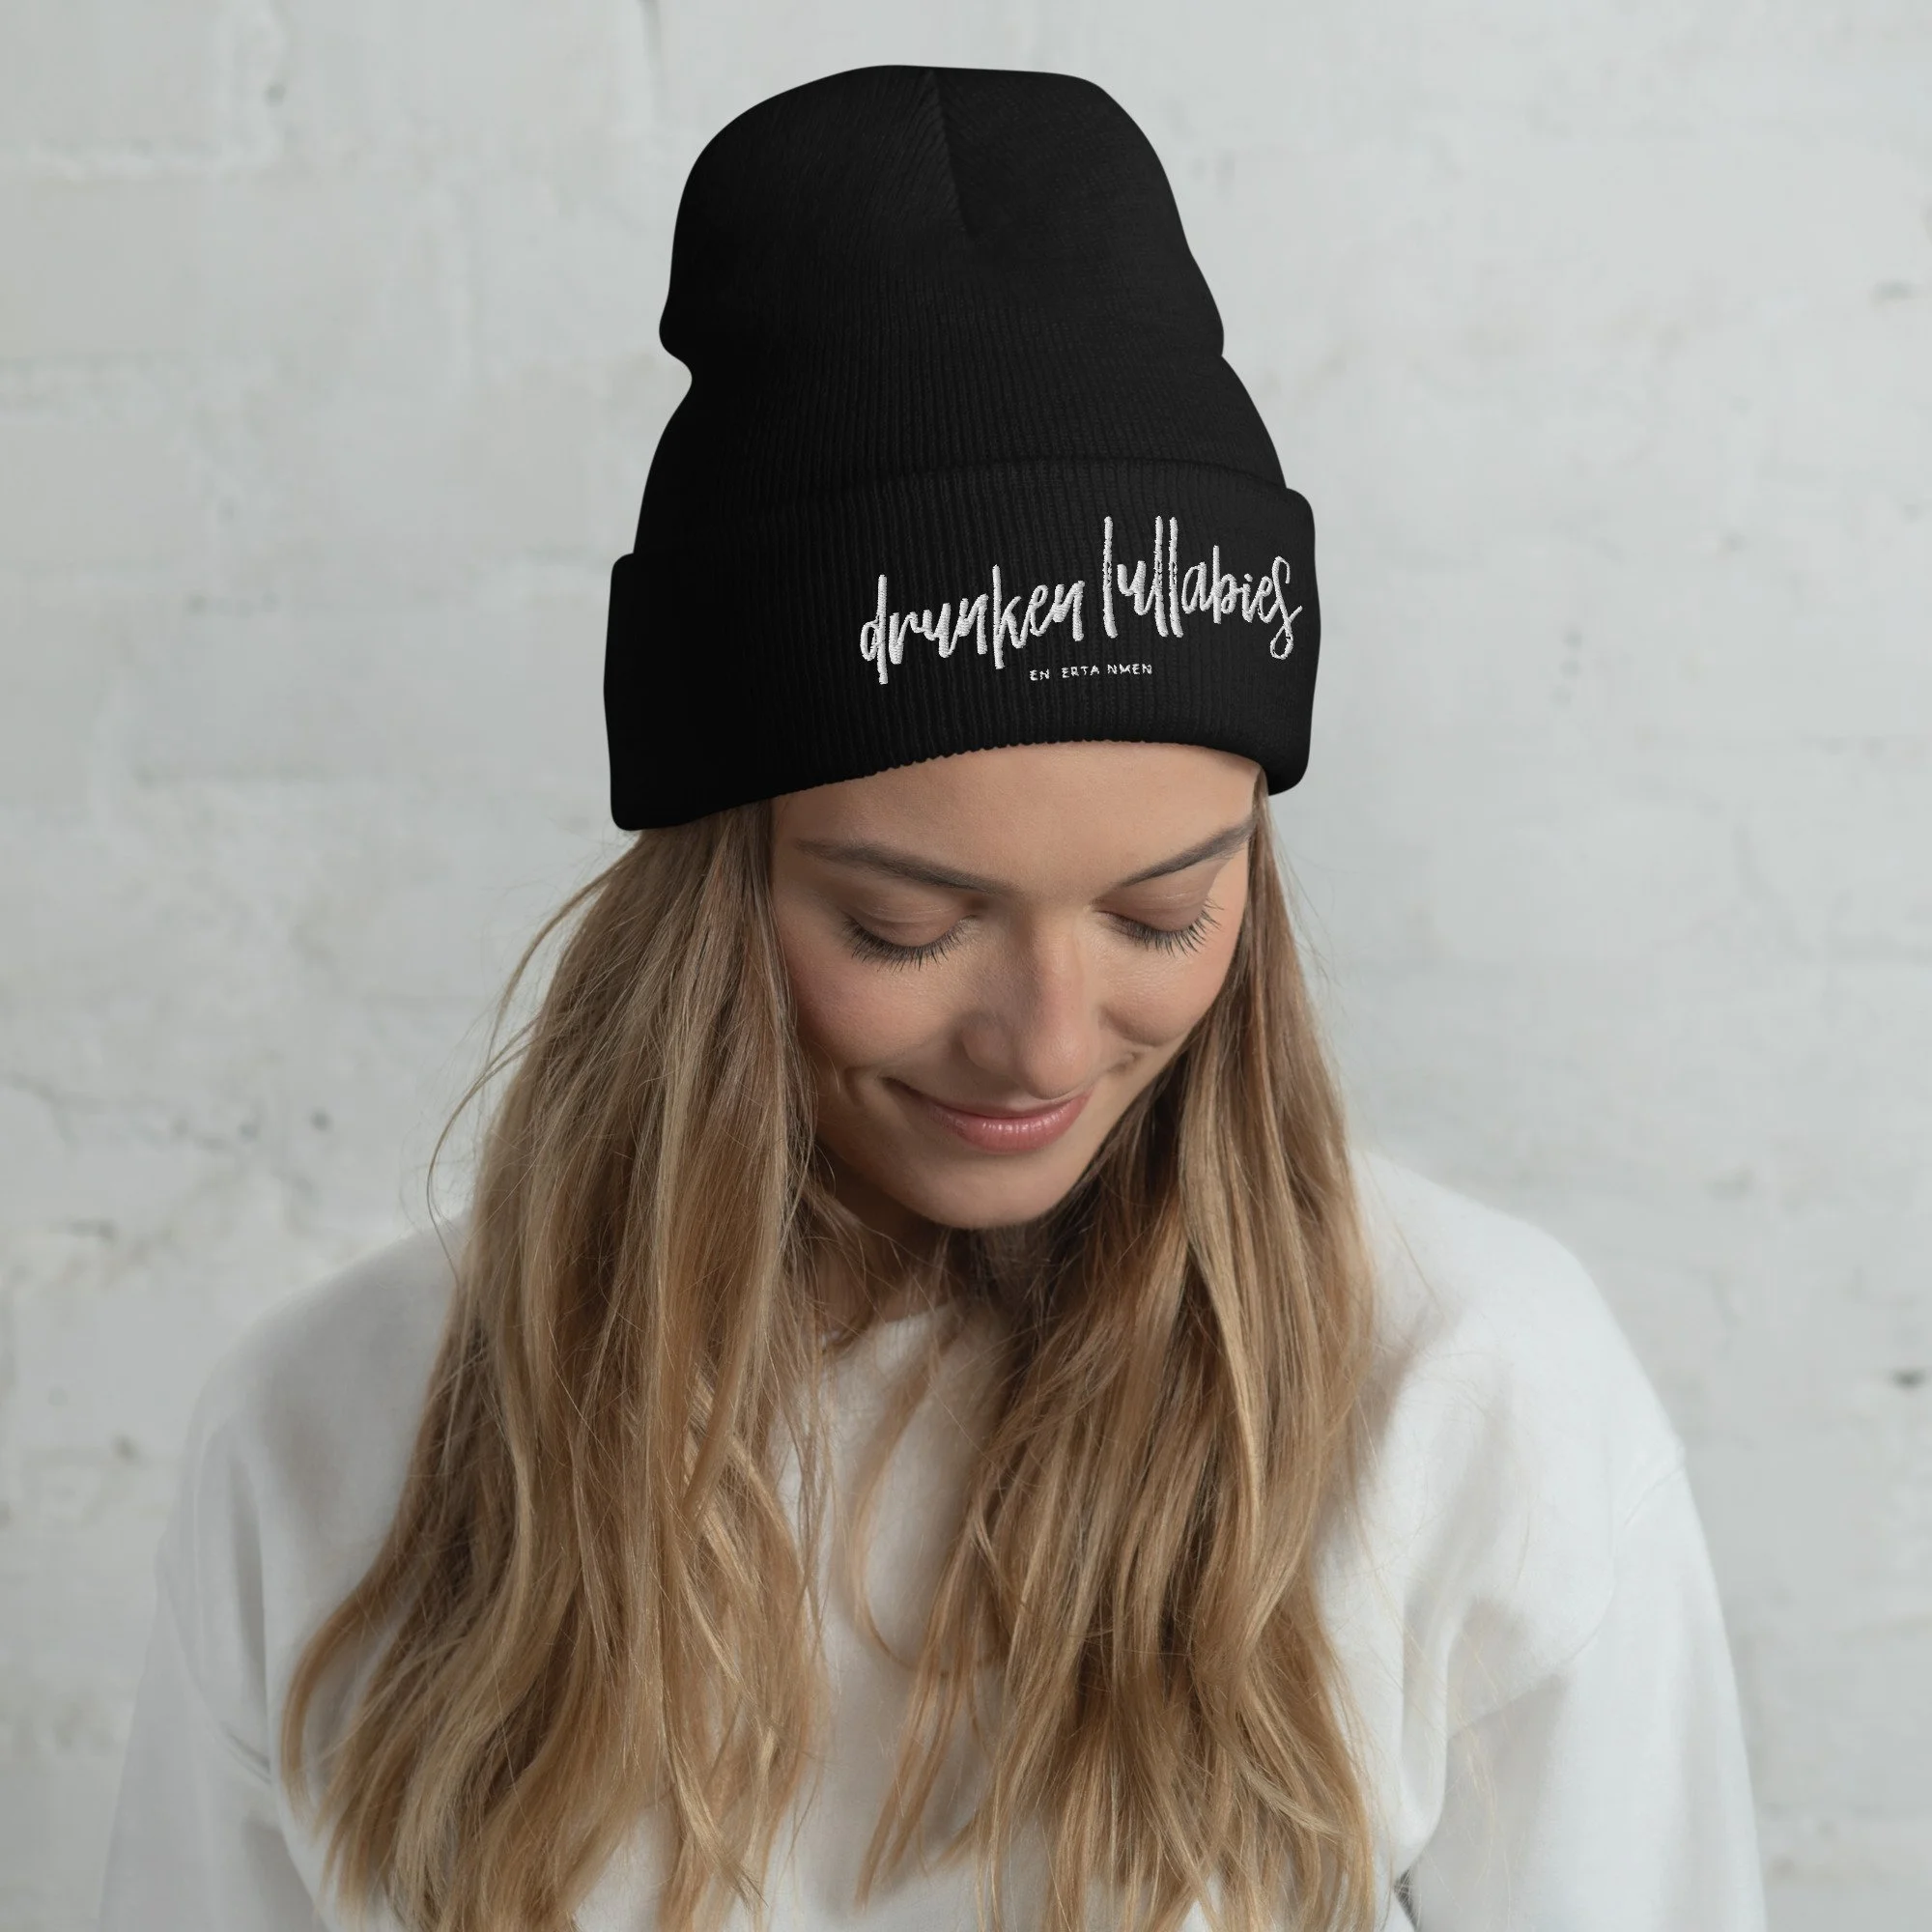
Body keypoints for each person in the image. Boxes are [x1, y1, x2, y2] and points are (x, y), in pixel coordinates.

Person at [98, 64, 1768, 1932]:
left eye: (1162, 913)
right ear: (714, 895)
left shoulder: (1470, 1402)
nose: (1046, 1042)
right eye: (905, 927)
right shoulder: (328, 1442)